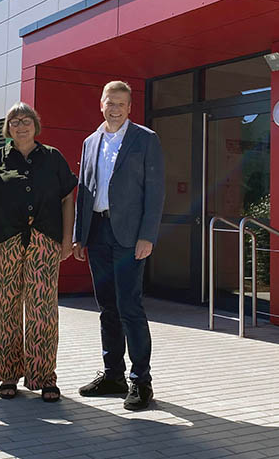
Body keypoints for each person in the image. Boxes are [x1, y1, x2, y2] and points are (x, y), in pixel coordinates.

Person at [73, 80, 165, 411]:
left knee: (130, 307)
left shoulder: (145, 139)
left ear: (129, 108)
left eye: (121, 104)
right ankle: (113, 374)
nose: (114, 108)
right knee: (107, 308)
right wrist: (79, 235)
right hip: (97, 232)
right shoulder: (90, 142)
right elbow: (83, 189)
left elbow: (155, 192)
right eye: (109, 102)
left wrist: (147, 236)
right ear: (101, 104)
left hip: (129, 236)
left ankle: (141, 381)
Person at [0, 102, 77, 402]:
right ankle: (9, 373)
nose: (21, 126)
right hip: (4, 242)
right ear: (8, 128)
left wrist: (67, 238)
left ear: (36, 125)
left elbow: (67, 199)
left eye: (26, 120)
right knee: (7, 307)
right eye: (15, 121)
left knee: (43, 310)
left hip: (45, 242)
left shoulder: (52, 157)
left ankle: (45, 376)